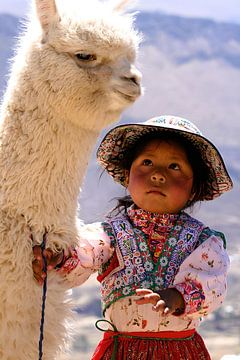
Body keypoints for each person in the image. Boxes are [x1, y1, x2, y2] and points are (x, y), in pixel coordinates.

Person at [33, 115, 233, 360]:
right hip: (120, 352)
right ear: (128, 177)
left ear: (194, 188)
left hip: (180, 353)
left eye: (174, 166)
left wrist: (177, 297)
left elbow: (214, 287)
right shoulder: (108, 234)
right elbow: (83, 251)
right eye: (147, 162)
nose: (158, 174)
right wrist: (56, 256)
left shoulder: (203, 242)